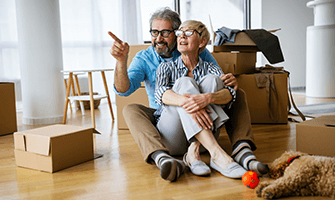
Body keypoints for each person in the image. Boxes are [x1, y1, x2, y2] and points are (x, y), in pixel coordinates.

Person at [109, 7, 268, 182]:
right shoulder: (146, 59)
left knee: (237, 93)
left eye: (164, 33)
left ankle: (240, 148)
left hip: (204, 119)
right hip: (165, 118)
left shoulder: (199, 53)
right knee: (132, 109)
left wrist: (212, 95)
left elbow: (218, 83)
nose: (158, 38)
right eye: (154, 32)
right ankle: (162, 157)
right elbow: (124, 90)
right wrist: (121, 61)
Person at [155, 19, 248, 178]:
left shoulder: (210, 67)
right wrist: (188, 102)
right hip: (173, 137)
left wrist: (207, 98)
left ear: (202, 42)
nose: (182, 36)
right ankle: (217, 154)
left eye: (188, 32)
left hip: (207, 135)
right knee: (185, 82)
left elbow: (230, 93)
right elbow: (160, 93)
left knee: (213, 80)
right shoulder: (166, 67)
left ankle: (194, 151)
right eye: (179, 33)